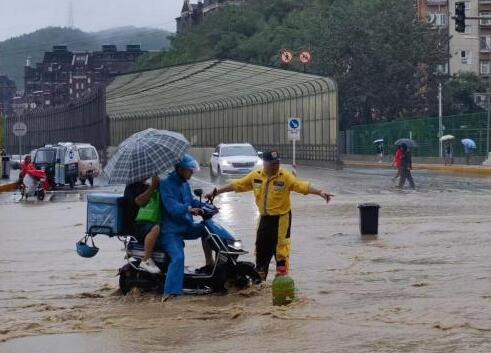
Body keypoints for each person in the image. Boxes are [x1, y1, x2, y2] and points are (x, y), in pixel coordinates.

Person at [205, 150, 334, 281]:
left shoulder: (285, 176)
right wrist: (217, 192)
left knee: (281, 250)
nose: (275, 166)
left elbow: (301, 186)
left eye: (277, 163)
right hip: (264, 219)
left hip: (281, 219)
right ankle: (260, 279)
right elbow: (237, 185)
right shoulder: (256, 176)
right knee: (261, 248)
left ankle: (281, 277)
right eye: (272, 163)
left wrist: (320, 192)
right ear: (264, 163)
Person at [159, 154, 214, 301]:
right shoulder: (166, 184)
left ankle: (210, 264)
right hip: (171, 231)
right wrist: (188, 209)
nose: (191, 174)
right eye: (189, 171)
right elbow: (172, 208)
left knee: (207, 228)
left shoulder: (184, 183)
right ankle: (171, 293)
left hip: (186, 226)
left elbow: (192, 200)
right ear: (181, 169)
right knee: (178, 257)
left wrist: (206, 205)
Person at [123, 176, 161, 274]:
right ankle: (146, 260)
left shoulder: (143, 185)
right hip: (135, 225)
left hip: (144, 220)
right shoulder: (131, 187)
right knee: (155, 228)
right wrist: (152, 187)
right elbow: (140, 202)